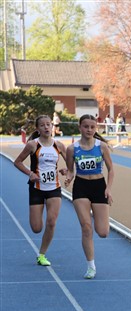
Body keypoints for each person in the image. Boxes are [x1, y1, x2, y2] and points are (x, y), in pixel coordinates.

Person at [13, 114, 68, 267]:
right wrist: (30, 173)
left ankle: (42, 254)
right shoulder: (33, 145)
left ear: (52, 126)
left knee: (51, 222)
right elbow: (17, 162)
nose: (46, 127)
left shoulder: (59, 145)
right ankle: (37, 215)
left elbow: (71, 164)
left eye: (48, 124)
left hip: (54, 188)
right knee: (37, 228)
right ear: (37, 128)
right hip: (37, 188)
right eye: (42, 125)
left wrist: (67, 171)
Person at [64, 114, 115, 280]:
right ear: (80, 127)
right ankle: (91, 266)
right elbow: (71, 170)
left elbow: (111, 169)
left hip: (99, 187)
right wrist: (68, 176)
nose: (89, 130)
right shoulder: (72, 149)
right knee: (86, 227)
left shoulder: (102, 147)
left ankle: (99, 217)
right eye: (86, 126)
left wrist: (108, 189)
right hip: (81, 187)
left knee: (103, 232)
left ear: (96, 128)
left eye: (92, 127)